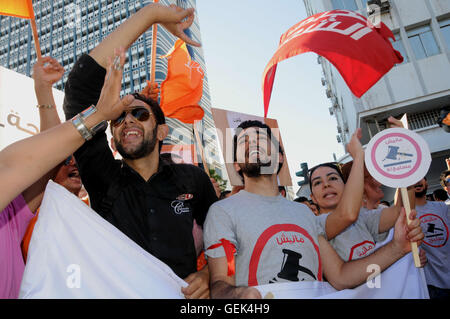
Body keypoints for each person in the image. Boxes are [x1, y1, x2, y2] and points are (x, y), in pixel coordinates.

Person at [63, 3, 215, 299]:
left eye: (140, 114)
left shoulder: (192, 179)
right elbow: (80, 87)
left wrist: (208, 274)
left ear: (161, 131)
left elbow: (223, 234)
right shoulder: (103, 177)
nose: (128, 119)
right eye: (119, 117)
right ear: (112, 140)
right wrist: (151, 15)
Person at [203, 120, 423, 298]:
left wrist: (397, 247)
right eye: (243, 142)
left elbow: (341, 276)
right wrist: (238, 295)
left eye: (261, 138)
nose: (253, 143)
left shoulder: (304, 214)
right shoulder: (223, 211)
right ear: (237, 165)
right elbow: (222, 280)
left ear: (280, 157)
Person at [0, 47, 134, 298]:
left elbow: (46, 161)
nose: (72, 164)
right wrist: (98, 115)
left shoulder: (9, 220)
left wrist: (43, 91)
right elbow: (16, 164)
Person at [413, 177, 450, 299]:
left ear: (426, 183)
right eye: (412, 179)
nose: (417, 182)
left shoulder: (442, 207)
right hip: (432, 285)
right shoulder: (407, 214)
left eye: (420, 178)